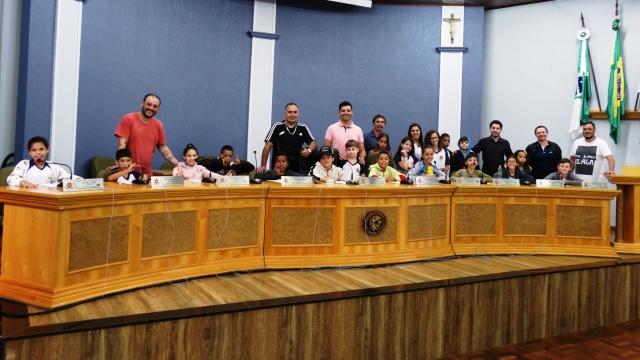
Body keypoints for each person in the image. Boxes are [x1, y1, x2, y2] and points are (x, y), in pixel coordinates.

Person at [114, 94, 179, 178]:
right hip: (128, 173)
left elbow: (162, 147)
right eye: (149, 104)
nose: (151, 108)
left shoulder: (158, 124)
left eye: (155, 106)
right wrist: (122, 164)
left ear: (158, 109)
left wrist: (179, 164)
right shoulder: (128, 119)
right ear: (142, 103)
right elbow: (121, 145)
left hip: (146, 174)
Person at [257, 103, 317, 174]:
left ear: (298, 115)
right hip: (279, 169)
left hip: (297, 169)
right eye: (290, 112)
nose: (292, 114)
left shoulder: (303, 127)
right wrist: (263, 165)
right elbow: (267, 146)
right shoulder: (277, 126)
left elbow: (313, 143)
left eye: (295, 112)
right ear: (284, 114)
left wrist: (309, 150)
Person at [7, 136, 72, 188]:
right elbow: (11, 179)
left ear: (47, 150)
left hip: (49, 198)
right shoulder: (24, 164)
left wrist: (77, 179)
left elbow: (68, 177)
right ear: (29, 152)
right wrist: (23, 182)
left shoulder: (53, 166)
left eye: (41, 149)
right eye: (34, 150)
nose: (38, 152)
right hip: (28, 197)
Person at [324, 101, 366, 166]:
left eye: (348, 110)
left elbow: (362, 151)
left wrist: (361, 159)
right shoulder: (331, 128)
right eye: (343, 111)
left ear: (352, 113)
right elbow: (326, 149)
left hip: (352, 166)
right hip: (335, 165)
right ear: (339, 113)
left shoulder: (358, 130)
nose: (346, 112)